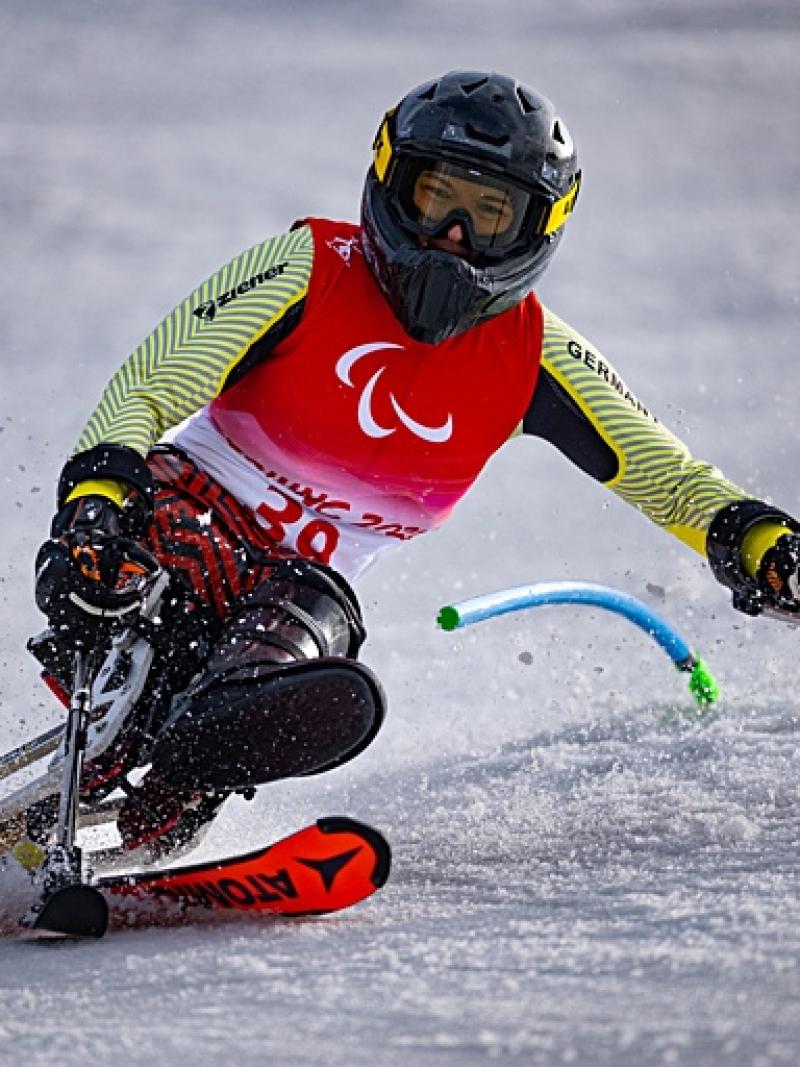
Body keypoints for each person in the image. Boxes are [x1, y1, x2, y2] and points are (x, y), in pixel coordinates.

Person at [32, 70, 800, 854]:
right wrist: (95, 505)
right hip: (172, 528)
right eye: (438, 197)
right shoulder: (311, 267)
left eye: (491, 213)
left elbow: (670, 479)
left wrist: (762, 546)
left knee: (316, 617)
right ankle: (144, 734)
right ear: (392, 181)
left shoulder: (534, 358)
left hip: (287, 609)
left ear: (539, 228)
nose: (456, 236)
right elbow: (148, 386)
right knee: (226, 593)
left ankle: (178, 780)